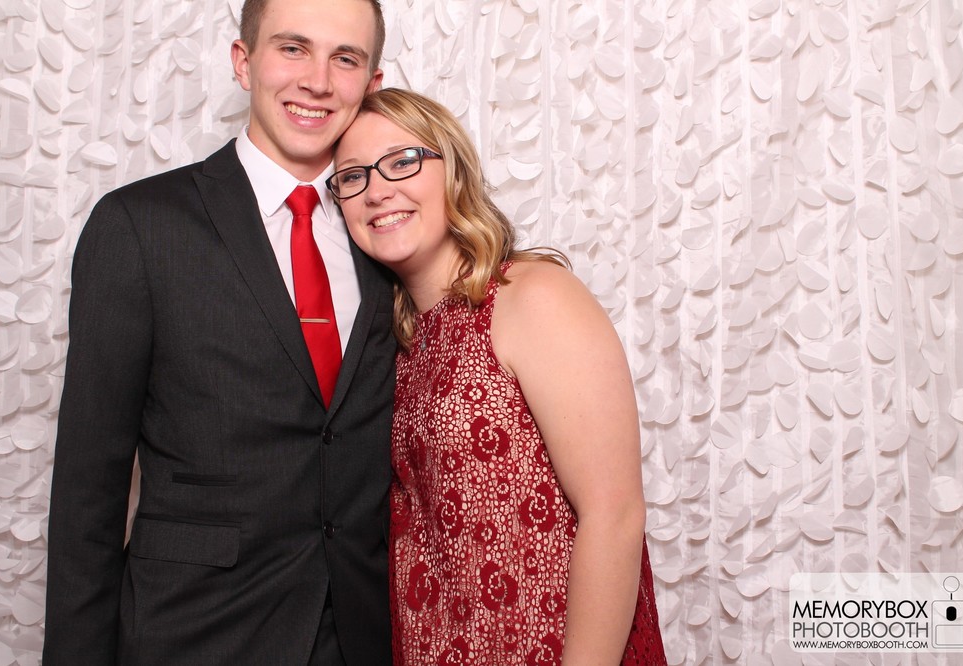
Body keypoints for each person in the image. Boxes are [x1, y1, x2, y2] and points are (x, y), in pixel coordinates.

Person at [42, 0, 394, 663]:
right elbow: (88, 492)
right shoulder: (140, 226)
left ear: (372, 85)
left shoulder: (390, 229)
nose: (318, 80)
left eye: (345, 58)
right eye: (293, 48)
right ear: (243, 61)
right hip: (193, 635)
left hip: (362, 635)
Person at [330, 87, 667, 665]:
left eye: (402, 161)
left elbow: (614, 514)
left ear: (454, 171)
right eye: (353, 176)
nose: (378, 189)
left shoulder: (530, 296)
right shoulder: (394, 348)